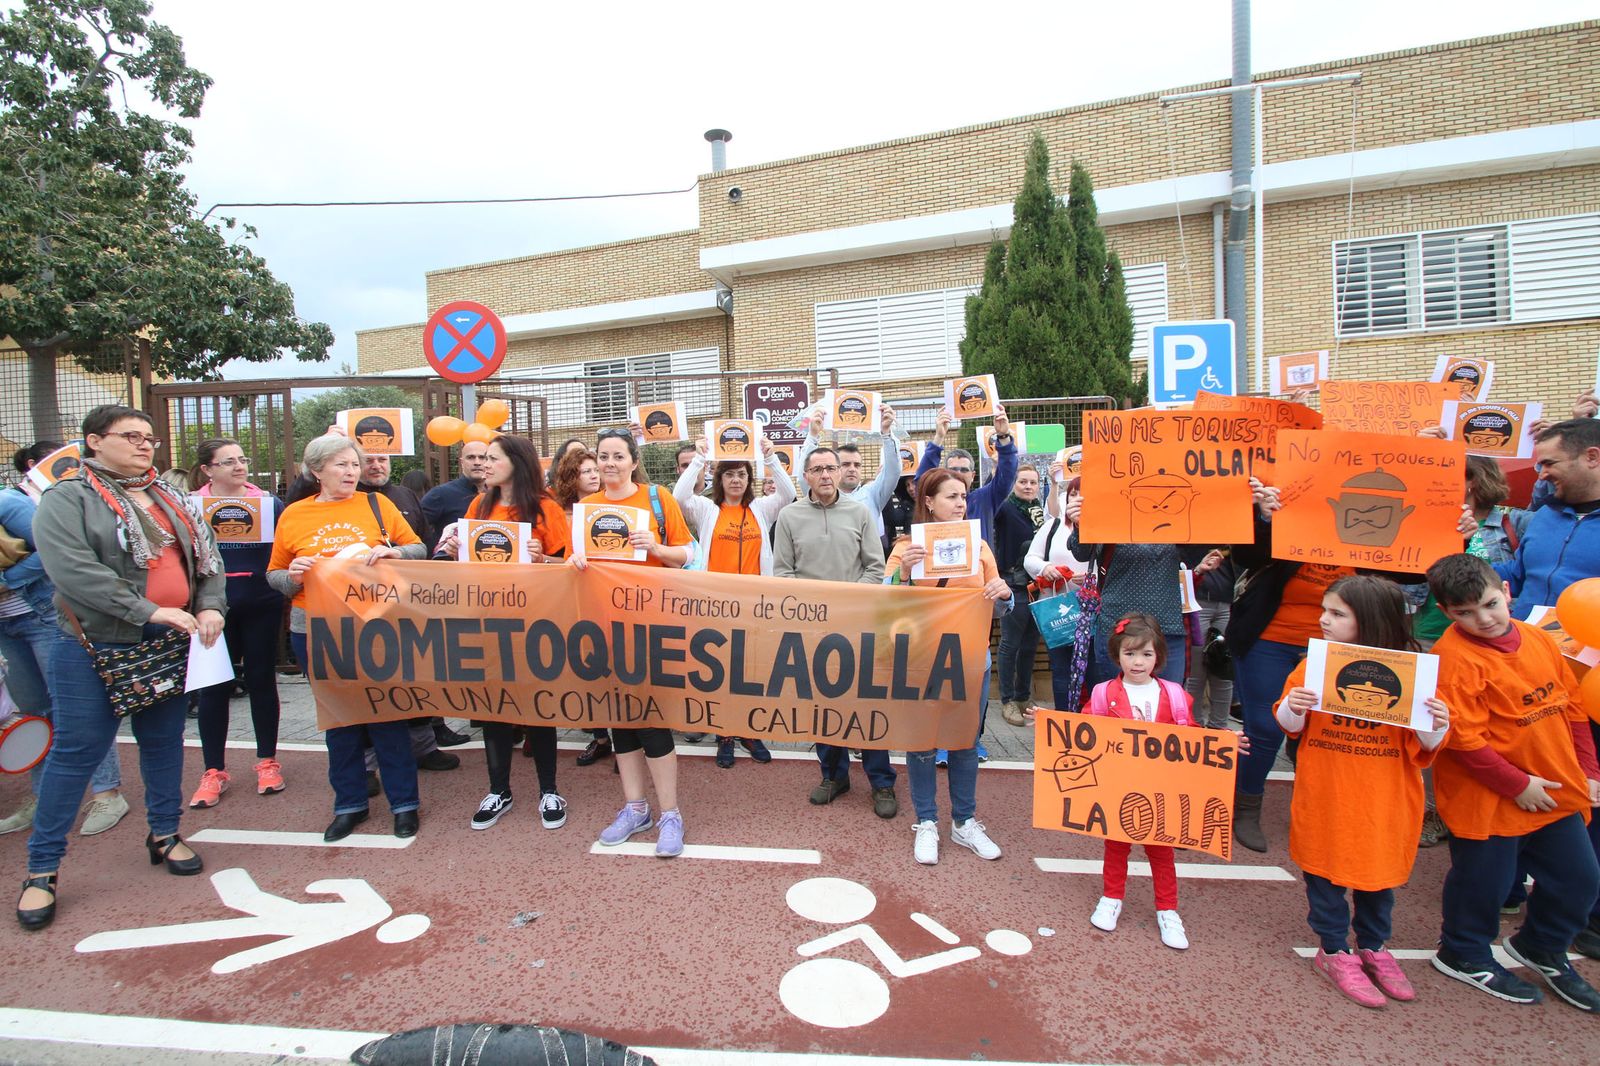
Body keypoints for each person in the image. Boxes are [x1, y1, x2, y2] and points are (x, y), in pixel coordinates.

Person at [18, 405, 227, 930]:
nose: (144, 445)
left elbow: (208, 561)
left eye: (149, 437)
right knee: (77, 752)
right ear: (93, 441)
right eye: (131, 436)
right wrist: (148, 610)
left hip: (168, 639)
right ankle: (42, 869)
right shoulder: (67, 498)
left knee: (164, 741)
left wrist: (209, 606)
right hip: (95, 645)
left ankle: (165, 833)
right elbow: (73, 572)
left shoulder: (170, 497)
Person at [1426, 553, 1600, 1011]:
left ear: (1506, 591)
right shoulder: (1452, 659)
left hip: (1553, 788)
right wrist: (1518, 785)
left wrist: (1588, 769)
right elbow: (1464, 740)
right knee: (1484, 884)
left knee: (1580, 879)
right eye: (1465, 613)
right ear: (1446, 612)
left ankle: (1541, 946)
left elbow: (1573, 706)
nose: (1483, 619)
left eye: (1489, 604)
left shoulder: (1539, 638)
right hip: (1490, 797)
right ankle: (1462, 952)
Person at [1275, 576, 1450, 1007]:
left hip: (1384, 800)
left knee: (1378, 879)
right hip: (1327, 794)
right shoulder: (1313, 667)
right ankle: (1334, 949)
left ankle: (1374, 945)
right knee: (1324, 874)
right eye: (1325, 610)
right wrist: (1293, 707)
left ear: (1370, 620)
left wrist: (1436, 723)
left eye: (1337, 614)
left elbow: (1428, 744)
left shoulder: (1414, 674)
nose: (1324, 619)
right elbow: (1288, 725)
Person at [266, 435, 428, 843]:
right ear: (316, 471)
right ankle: (349, 804)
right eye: (341, 465)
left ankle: (404, 804)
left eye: (354, 464)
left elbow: (418, 549)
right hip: (314, 627)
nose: (352, 472)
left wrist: (395, 554)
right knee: (338, 719)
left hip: (376, 624)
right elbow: (275, 574)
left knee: (387, 713)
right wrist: (293, 576)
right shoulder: (294, 514)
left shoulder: (377, 505)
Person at [1492, 417, 1600, 959]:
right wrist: (1489, 571)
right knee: (1516, 775)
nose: (1541, 474)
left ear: (1592, 457)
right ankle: (1509, 887)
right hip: (1527, 673)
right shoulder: (1543, 517)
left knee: (1589, 790)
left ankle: (1584, 914)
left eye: (1550, 463)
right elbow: (1518, 571)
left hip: (1592, 686)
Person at [434, 435, 571, 832]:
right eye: (482, 458)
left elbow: (567, 570)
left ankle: (549, 790)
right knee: (494, 707)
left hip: (534, 621)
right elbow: (468, 563)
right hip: (487, 620)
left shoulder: (546, 508)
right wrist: (455, 549)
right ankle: (499, 790)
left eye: (493, 458)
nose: (485, 465)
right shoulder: (479, 506)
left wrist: (541, 560)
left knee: (537, 707)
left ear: (516, 462)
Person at [573, 429, 694, 857]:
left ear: (633, 460)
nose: (610, 463)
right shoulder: (587, 508)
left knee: (652, 721)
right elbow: (573, 566)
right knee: (620, 722)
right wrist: (574, 559)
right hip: (603, 628)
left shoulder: (658, 499)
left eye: (618, 456)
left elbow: (688, 554)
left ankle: (670, 814)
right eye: (603, 456)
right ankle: (635, 807)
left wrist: (656, 547)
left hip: (650, 626)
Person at [0, 443, 125, 839]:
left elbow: (54, 550)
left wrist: (6, 580)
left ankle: (107, 793)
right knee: (34, 711)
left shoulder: (7, 503)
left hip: (41, 617)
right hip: (6, 626)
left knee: (76, 706)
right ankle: (43, 796)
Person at [885, 468, 1009, 865]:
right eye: (952, 496)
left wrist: (1003, 594)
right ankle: (926, 821)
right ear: (929, 501)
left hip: (971, 660)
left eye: (963, 496)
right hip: (921, 660)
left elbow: (1000, 605)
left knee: (965, 740)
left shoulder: (980, 547)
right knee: (922, 742)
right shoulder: (906, 547)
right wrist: (904, 574)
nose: (960, 503)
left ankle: (964, 821)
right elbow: (885, 604)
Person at [773, 446, 893, 818]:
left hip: (858, 627)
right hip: (812, 630)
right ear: (806, 476)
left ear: (840, 473)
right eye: (818, 469)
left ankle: (881, 781)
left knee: (866, 705)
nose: (825, 474)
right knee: (822, 707)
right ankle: (834, 776)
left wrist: (846, 604)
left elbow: (875, 568)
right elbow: (783, 573)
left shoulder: (860, 512)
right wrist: (816, 610)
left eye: (831, 468)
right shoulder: (789, 516)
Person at [673, 437, 796, 768]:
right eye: (729, 474)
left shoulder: (761, 509)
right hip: (717, 605)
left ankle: (749, 731)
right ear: (720, 479)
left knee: (751, 670)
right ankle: (724, 733)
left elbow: (788, 494)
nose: (736, 480)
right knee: (722, 671)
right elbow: (679, 496)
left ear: (749, 478)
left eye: (742, 474)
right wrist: (699, 459)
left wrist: (770, 458)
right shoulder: (707, 509)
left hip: (755, 604)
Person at [1081, 614, 1198, 951]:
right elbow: (1083, 732)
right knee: (1116, 846)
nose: (1137, 662)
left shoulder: (1175, 695)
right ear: (1117, 655)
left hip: (1161, 790)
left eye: (1146, 654)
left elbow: (1193, 738)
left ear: (1158, 656)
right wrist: (1049, 723)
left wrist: (1223, 743)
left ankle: (1168, 909)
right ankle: (1111, 897)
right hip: (1119, 787)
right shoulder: (1103, 693)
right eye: (1130, 653)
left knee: (1161, 852)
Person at [186, 439, 287, 807]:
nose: (239, 466)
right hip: (210, 610)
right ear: (207, 470)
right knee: (213, 688)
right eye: (228, 462)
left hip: (261, 604)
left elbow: (284, 549)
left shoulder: (269, 504)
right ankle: (214, 770)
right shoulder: (189, 506)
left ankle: (267, 762)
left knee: (261, 680)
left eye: (242, 459)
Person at [357, 451, 463, 757]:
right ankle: (369, 761)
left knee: (417, 674)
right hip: (362, 605)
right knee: (371, 683)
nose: (376, 466)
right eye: (367, 460)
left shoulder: (404, 495)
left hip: (408, 601)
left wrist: (408, 557)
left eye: (382, 459)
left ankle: (424, 747)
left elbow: (423, 543)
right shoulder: (349, 501)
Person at [550, 447, 612, 767]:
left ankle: (625, 740)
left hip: (614, 601)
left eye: (595, 469)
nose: (593, 475)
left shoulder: (616, 507)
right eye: (585, 471)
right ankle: (601, 737)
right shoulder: (560, 514)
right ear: (570, 477)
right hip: (577, 601)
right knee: (589, 670)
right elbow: (557, 561)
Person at [1024, 475, 1089, 711]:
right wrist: (1046, 568)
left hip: (1093, 610)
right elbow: (1030, 559)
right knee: (1062, 670)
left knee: (1094, 671)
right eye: (1073, 494)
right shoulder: (1052, 526)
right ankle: (1063, 717)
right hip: (1059, 611)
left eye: (1083, 494)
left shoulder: (1105, 527)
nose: (1078, 499)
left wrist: (1092, 578)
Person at [913, 406, 1017, 544]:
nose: (958, 474)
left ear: (973, 475)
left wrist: (1004, 437)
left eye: (964, 470)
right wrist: (939, 438)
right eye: (953, 469)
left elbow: (1008, 475)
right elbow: (923, 483)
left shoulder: (984, 499)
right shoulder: (935, 501)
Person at [797, 403, 902, 538]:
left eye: (857, 465)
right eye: (845, 464)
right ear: (834, 468)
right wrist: (812, 436)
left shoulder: (872, 494)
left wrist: (886, 433)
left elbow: (893, 471)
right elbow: (804, 477)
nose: (852, 469)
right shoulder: (822, 493)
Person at [994, 464, 1046, 729]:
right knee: (1010, 645)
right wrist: (999, 470)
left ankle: (1023, 696)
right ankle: (1007, 700)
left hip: (1037, 587)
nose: (1028, 486)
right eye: (1022, 481)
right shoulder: (1005, 509)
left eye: (1032, 482)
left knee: (1029, 645)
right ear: (1014, 484)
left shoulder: (1040, 514)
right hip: (1013, 586)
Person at [420, 438, 491, 549]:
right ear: (462, 462)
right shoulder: (441, 494)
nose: (477, 462)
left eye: (482, 457)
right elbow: (417, 529)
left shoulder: (500, 494)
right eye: (471, 457)